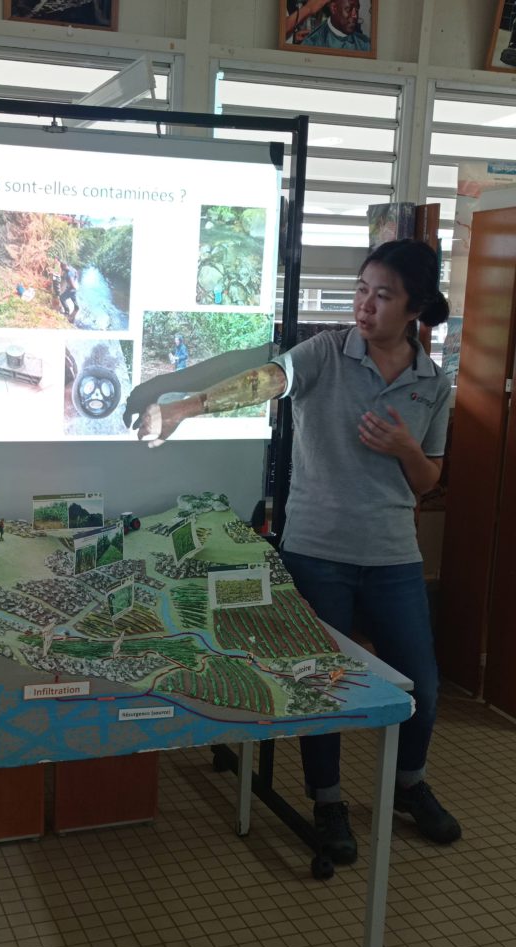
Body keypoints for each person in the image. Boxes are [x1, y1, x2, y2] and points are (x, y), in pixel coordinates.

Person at [124, 239, 461, 864]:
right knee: (322, 683)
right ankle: (327, 800)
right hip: (317, 553)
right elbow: (266, 381)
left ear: (414, 308)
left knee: (423, 683)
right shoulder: (326, 353)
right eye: (361, 290)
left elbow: (428, 480)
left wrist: (404, 449)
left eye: (383, 296)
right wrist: (186, 408)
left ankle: (409, 784)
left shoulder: (432, 383)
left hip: (393, 556)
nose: (365, 305)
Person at [304, 0, 371, 51]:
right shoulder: (312, 43)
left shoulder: (366, 44)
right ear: (334, 8)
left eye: (357, 9)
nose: (355, 15)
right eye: (348, 9)